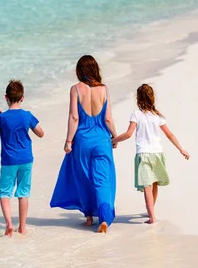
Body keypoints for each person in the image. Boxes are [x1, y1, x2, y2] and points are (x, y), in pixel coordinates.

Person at [50, 55, 117, 233]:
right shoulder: (104, 89)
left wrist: (68, 141)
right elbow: (108, 118)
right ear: (96, 69)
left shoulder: (76, 89)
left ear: (80, 71)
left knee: (84, 178)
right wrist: (115, 136)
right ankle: (103, 220)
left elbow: (74, 117)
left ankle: (88, 216)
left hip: (82, 141)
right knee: (102, 180)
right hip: (102, 140)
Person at [112, 83, 189, 224]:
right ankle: (151, 211)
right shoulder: (157, 116)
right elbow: (169, 135)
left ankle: (151, 216)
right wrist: (181, 149)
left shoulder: (136, 114)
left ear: (138, 98)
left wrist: (114, 140)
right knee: (154, 184)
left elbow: (129, 134)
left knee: (147, 185)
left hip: (143, 154)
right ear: (152, 97)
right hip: (157, 154)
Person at [0, 79, 44, 236]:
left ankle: (9, 224)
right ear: (22, 98)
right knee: (23, 192)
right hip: (26, 159)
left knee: (5, 192)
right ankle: (22, 227)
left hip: (8, 161)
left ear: (6, 97)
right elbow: (41, 133)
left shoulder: (2, 118)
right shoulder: (27, 115)